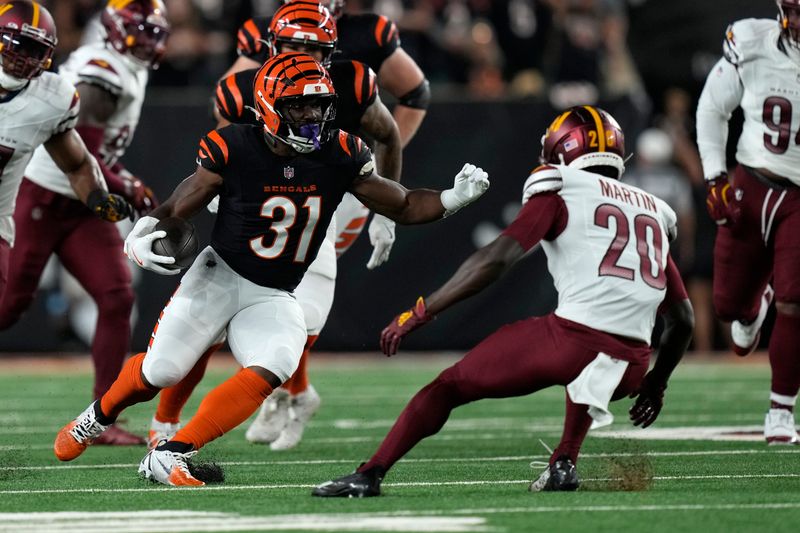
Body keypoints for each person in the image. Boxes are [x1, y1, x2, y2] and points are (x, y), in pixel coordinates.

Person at [53, 52, 489, 487]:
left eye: (318, 105)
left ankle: (171, 454)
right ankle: (96, 417)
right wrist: (147, 232)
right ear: (267, 106)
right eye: (299, 105)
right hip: (218, 276)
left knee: (278, 360)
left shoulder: (340, 153)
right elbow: (176, 207)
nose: (311, 115)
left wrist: (451, 199)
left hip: (274, 291)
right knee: (161, 371)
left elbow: (404, 203)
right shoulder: (235, 145)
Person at [313, 105, 694, 497]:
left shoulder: (560, 186)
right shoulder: (653, 209)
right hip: (633, 362)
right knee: (587, 360)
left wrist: (423, 310)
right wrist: (655, 384)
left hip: (571, 343)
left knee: (447, 387)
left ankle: (370, 473)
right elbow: (683, 319)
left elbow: (495, 259)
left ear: (563, 149)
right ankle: (563, 463)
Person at [146, 0, 403, 451]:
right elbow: (222, 147)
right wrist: (217, 189)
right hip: (257, 203)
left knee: (299, 315)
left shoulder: (356, 81)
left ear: (334, 51)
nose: (303, 58)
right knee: (206, 324)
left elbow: (392, 130)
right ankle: (167, 421)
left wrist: (385, 209)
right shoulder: (239, 89)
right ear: (269, 45)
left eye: (316, 49)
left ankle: (289, 391)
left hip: (330, 198)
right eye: (290, 46)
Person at [0, 0, 169, 446]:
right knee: (7, 305)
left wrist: (111, 189)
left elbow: (85, 163)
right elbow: (87, 154)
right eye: (139, 31)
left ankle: (102, 417)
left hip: (81, 202)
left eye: (154, 32)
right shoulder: (101, 75)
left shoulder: (66, 87)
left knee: (115, 295)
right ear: (114, 30)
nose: (148, 41)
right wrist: (126, 184)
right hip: (38, 197)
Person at [696, 0, 800, 444]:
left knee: (796, 302)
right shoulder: (753, 41)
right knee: (727, 307)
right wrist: (715, 176)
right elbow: (712, 108)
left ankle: (780, 411)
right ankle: (755, 306)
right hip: (752, 182)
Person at [0, 1, 133, 299]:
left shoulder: (51, 100)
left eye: (35, 50)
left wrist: (98, 197)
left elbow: (76, 164)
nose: (23, 57)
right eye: (17, 44)